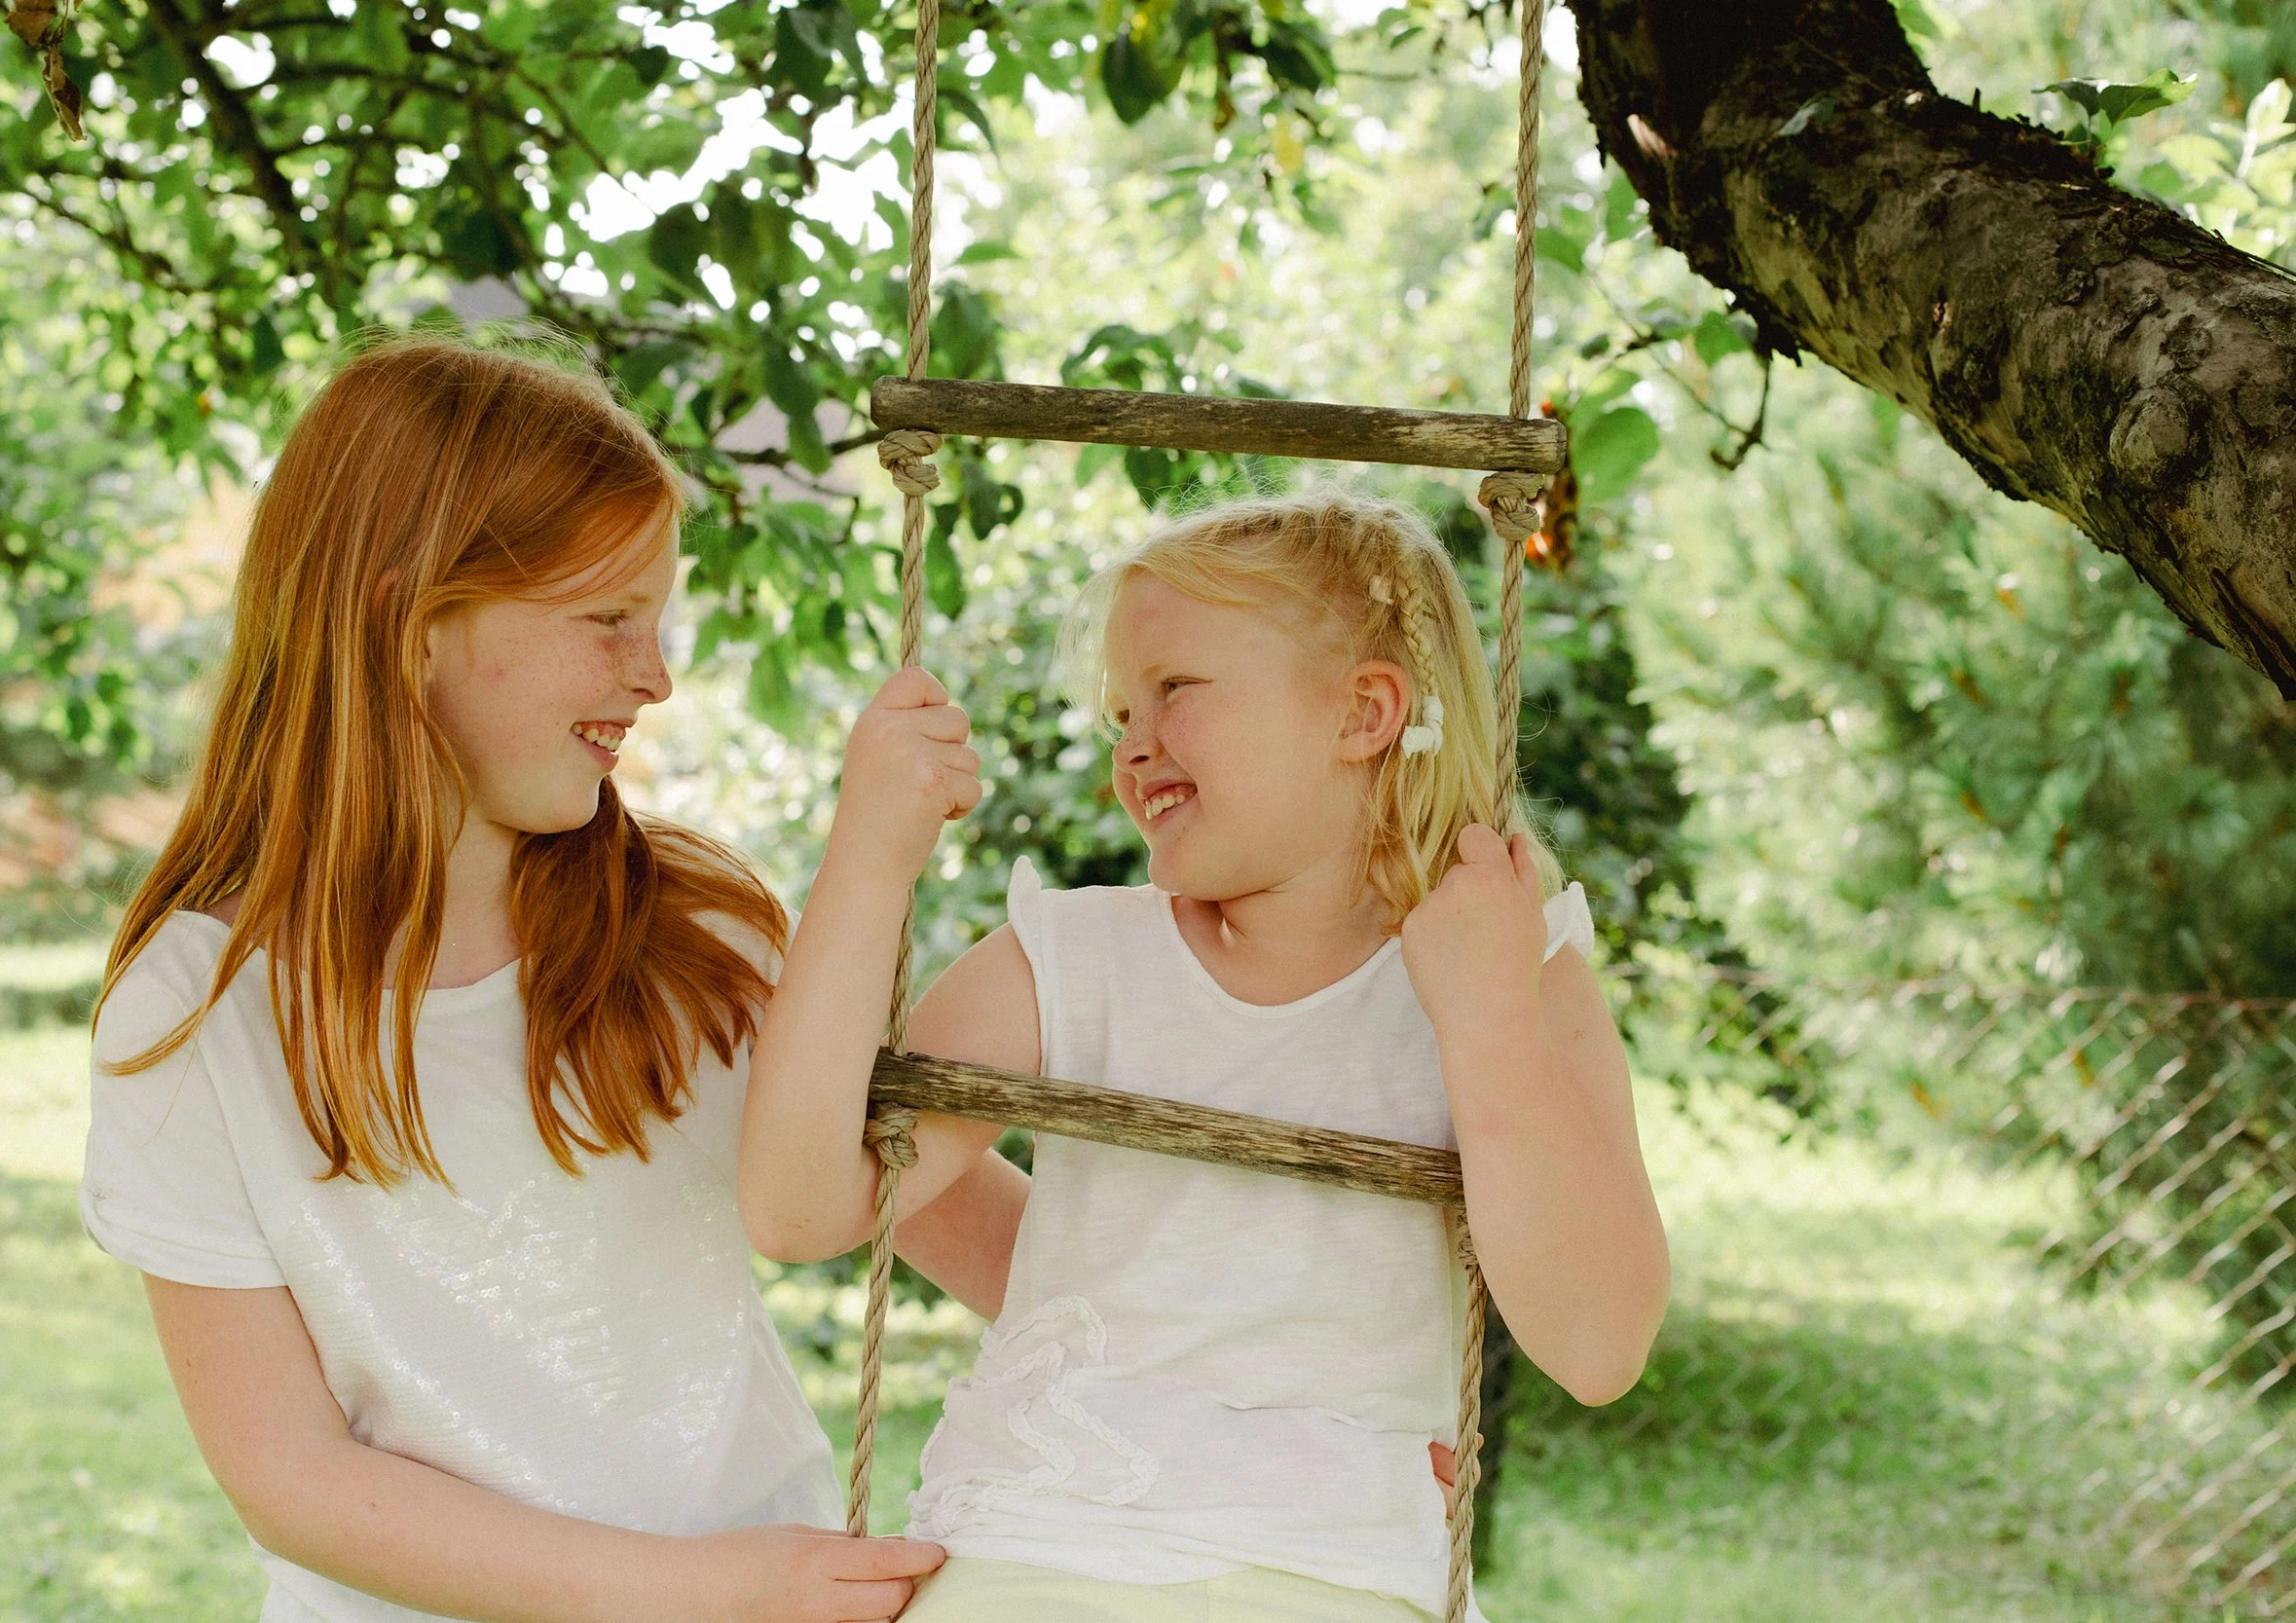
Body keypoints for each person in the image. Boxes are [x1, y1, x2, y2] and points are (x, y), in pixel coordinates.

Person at [81, 331, 1028, 1623]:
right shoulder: (196, 1013)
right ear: (410, 621)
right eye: (606, 617)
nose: (657, 672)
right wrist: (698, 1591)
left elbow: (969, 1225)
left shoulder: (693, 933)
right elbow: (291, 1477)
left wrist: (1316, 1379)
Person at [739, 487, 1670, 1620]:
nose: (1135, 743)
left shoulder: (1519, 967)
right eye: (1122, 709)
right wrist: (871, 859)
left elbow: (1599, 1342)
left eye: (1176, 688)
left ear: (1364, 711)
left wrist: (1486, 1020)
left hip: (1344, 1564)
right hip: (1050, 1538)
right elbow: (797, 1207)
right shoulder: (1071, 960)